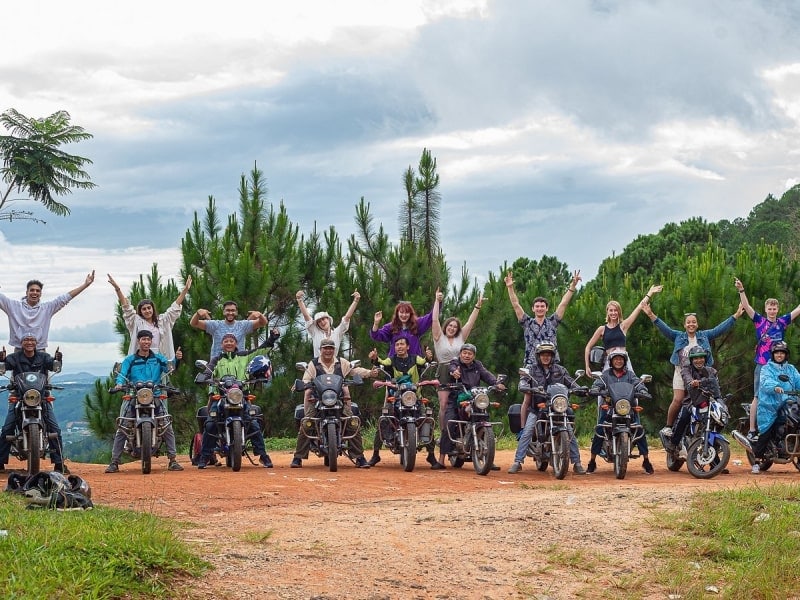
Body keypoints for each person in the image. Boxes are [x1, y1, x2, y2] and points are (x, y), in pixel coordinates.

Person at [641, 295, 743, 438]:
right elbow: (664, 328)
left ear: (697, 324)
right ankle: (669, 426)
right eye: (688, 322)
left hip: (701, 374)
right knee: (678, 399)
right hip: (681, 372)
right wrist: (651, 314)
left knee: (707, 401)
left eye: (694, 322)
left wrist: (736, 315)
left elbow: (720, 329)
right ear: (684, 325)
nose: (691, 324)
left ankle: (705, 430)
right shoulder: (677, 336)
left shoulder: (704, 336)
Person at [290, 338, 377, 468]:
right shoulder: (314, 364)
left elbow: (355, 371)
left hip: (339, 399)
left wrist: (369, 373)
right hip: (319, 399)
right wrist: (303, 384)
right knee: (307, 423)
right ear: (320, 350)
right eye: (325, 348)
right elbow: (307, 377)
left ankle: (359, 457)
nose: (328, 350)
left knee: (352, 422)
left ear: (334, 350)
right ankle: (298, 457)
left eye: (331, 348)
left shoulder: (341, 362)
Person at [105, 330, 183, 473]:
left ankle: (173, 460)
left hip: (155, 395)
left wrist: (177, 360)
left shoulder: (158, 358)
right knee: (123, 427)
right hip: (135, 395)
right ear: (138, 341)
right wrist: (119, 383)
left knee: (167, 426)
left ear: (151, 341)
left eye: (148, 339)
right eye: (143, 339)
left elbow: (169, 367)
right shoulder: (130, 360)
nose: (146, 342)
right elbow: (122, 373)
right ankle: (114, 462)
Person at [196, 332, 277, 469]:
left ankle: (263, 455)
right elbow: (208, 371)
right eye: (226, 341)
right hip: (221, 396)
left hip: (241, 395)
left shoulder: (244, 356)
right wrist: (204, 377)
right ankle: (205, 456)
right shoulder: (217, 359)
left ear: (236, 343)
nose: (228, 343)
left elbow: (261, 350)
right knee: (210, 424)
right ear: (222, 344)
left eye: (231, 341)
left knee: (254, 424)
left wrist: (272, 339)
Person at [734, 277, 800, 441]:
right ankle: (752, 429)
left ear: (777, 309)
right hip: (763, 365)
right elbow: (747, 307)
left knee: (785, 395)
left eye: (774, 308)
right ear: (765, 309)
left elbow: (798, 309)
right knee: (757, 396)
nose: (772, 310)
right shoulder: (760, 321)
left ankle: (781, 429)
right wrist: (741, 290)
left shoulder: (782, 322)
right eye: (769, 308)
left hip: (780, 366)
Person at [508, 342, 587, 475]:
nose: (546, 357)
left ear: (552, 356)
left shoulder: (560, 370)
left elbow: (571, 382)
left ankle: (577, 463)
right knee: (527, 432)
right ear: (538, 356)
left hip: (558, 407)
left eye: (548, 355)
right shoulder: (531, 369)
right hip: (538, 407)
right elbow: (523, 381)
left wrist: (579, 389)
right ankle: (517, 461)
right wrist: (524, 385)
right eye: (543, 355)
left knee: (569, 432)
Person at [0, 333, 68, 473]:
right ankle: (1, 461)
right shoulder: (15, 358)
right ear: (21, 343)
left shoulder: (44, 357)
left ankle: (59, 463)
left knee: (54, 429)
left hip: (40, 397)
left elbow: (53, 366)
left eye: (32, 340)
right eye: (26, 340)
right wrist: (1, 360)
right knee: (7, 428)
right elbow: (5, 367)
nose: (29, 342)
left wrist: (57, 360)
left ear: (36, 343)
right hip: (19, 396)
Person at [432, 287, 483, 466]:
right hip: (446, 370)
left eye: (455, 326)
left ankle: (467, 436)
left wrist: (477, 306)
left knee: (466, 402)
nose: (452, 328)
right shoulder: (439, 336)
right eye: (450, 325)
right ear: (446, 327)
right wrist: (437, 302)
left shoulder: (462, 338)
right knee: (445, 406)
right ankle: (444, 430)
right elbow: (434, 319)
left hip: (463, 371)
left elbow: (470, 322)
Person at [366, 337, 436, 468]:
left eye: (402, 344)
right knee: (384, 419)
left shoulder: (415, 358)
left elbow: (425, 362)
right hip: (395, 396)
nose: (399, 346)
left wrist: (428, 358)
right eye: (397, 344)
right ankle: (376, 454)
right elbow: (382, 363)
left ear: (408, 346)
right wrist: (375, 358)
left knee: (426, 419)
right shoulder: (391, 360)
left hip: (415, 396)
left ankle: (431, 455)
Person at [438, 343, 506, 470]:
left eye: (470, 353)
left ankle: (488, 459)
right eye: (464, 353)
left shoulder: (477, 365)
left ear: (474, 356)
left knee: (484, 417)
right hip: (458, 397)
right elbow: (452, 368)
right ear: (460, 354)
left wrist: (497, 383)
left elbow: (486, 375)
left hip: (474, 397)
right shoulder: (455, 362)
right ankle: (441, 460)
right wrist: (454, 372)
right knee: (450, 422)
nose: (467, 355)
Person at [587, 350, 654, 475]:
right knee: (600, 430)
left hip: (628, 409)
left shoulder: (630, 375)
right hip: (611, 409)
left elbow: (638, 384)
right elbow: (598, 383)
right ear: (611, 361)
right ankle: (592, 461)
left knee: (639, 430)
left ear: (625, 361)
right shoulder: (606, 375)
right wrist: (596, 389)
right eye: (616, 359)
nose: (619, 361)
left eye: (621, 359)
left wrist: (643, 390)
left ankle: (646, 460)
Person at [741, 341, 800, 474]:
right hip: (769, 405)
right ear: (773, 355)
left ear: (786, 355)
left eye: (782, 353)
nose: (779, 355)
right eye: (777, 353)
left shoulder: (790, 369)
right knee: (767, 431)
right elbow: (766, 381)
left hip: (788, 401)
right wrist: (775, 387)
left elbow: (798, 380)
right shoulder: (766, 368)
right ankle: (756, 461)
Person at [108, 273, 192, 362]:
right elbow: (126, 307)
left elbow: (175, 307)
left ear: (153, 309)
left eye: (149, 308)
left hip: (158, 358)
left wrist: (185, 290)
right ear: (140, 311)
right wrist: (118, 289)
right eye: (144, 309)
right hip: (141, 359)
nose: (147, 311)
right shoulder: (137, 321)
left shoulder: (162, 321)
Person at [504, 269, 581, 366]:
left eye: (542, 306)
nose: (539, 308)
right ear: (533, 309)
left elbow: (563, 303)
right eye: (537, 306)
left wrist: (572, 286)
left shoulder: (553, 322)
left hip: (552, 365)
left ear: (547, 308)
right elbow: (516, 304)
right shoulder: (527, 323)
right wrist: (510, 288)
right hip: (531, 365)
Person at [0, 272, 95, 350]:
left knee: (46, 370)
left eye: (38, 291)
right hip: (19, 349)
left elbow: (65, 298)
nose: (34, 293)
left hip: (39, 350)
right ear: (27, 292)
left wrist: (85, 285)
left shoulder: (47, 308)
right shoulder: (13, 306)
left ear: (41, 294)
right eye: (32, 290)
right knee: (14, 370)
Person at [583, 286, 662, 375]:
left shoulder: (623, 326)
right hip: (609, 363)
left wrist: (650, 293)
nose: (613, 313)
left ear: (619, 312)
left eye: (615, 310)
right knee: (604, 385)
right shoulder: (602, 329)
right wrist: (587, 366)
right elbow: (588, 347)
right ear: (607, 312)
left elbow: (639, 307)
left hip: (624, 362)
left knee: (633, 384)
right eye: (611, 310)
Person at [669, 346, 722, 454]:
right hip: (691, 403)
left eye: (701, 357)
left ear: (705, 359)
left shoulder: (711, 371)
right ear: (691, 360)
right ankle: (673, 443)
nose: (699, 360)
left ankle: (715, 463)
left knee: (719, 421)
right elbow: (688, 379)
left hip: (709, 403)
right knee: (684, 417)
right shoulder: (686, 370)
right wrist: (692, 382)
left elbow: (716, 385)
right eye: (695, 358)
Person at [189, 300, 268, 359]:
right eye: (228, 310)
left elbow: (263, 323)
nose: (230, 313)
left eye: (233, 310)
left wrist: (260, 315)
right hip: (217, 366)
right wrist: (197, 314)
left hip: (238, 366)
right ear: (223, 312)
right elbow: (194, 323)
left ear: (236, 312)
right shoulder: (215, 325)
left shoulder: (243, 325)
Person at [296, 289, 361, 357]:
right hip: (317, 366)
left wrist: (356, 301)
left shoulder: (337, 332)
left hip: (334, 366)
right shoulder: (315, 332)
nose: (322, 322)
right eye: (319, 321)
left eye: (323, 319)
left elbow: (347, 317)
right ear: (317, 325)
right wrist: (299, 300)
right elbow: (306, 316)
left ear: (328, 319)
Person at [370, 298, 435, 358]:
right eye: (401, 312)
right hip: (395, 366)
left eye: (407, 313)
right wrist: (376, 323)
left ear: (410, 314)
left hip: (414, 365)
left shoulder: (417, 324)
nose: (404, 315)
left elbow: (432, 316)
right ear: (397, 313)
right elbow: (376, 335)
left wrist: (438, 301)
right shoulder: (391, 327)